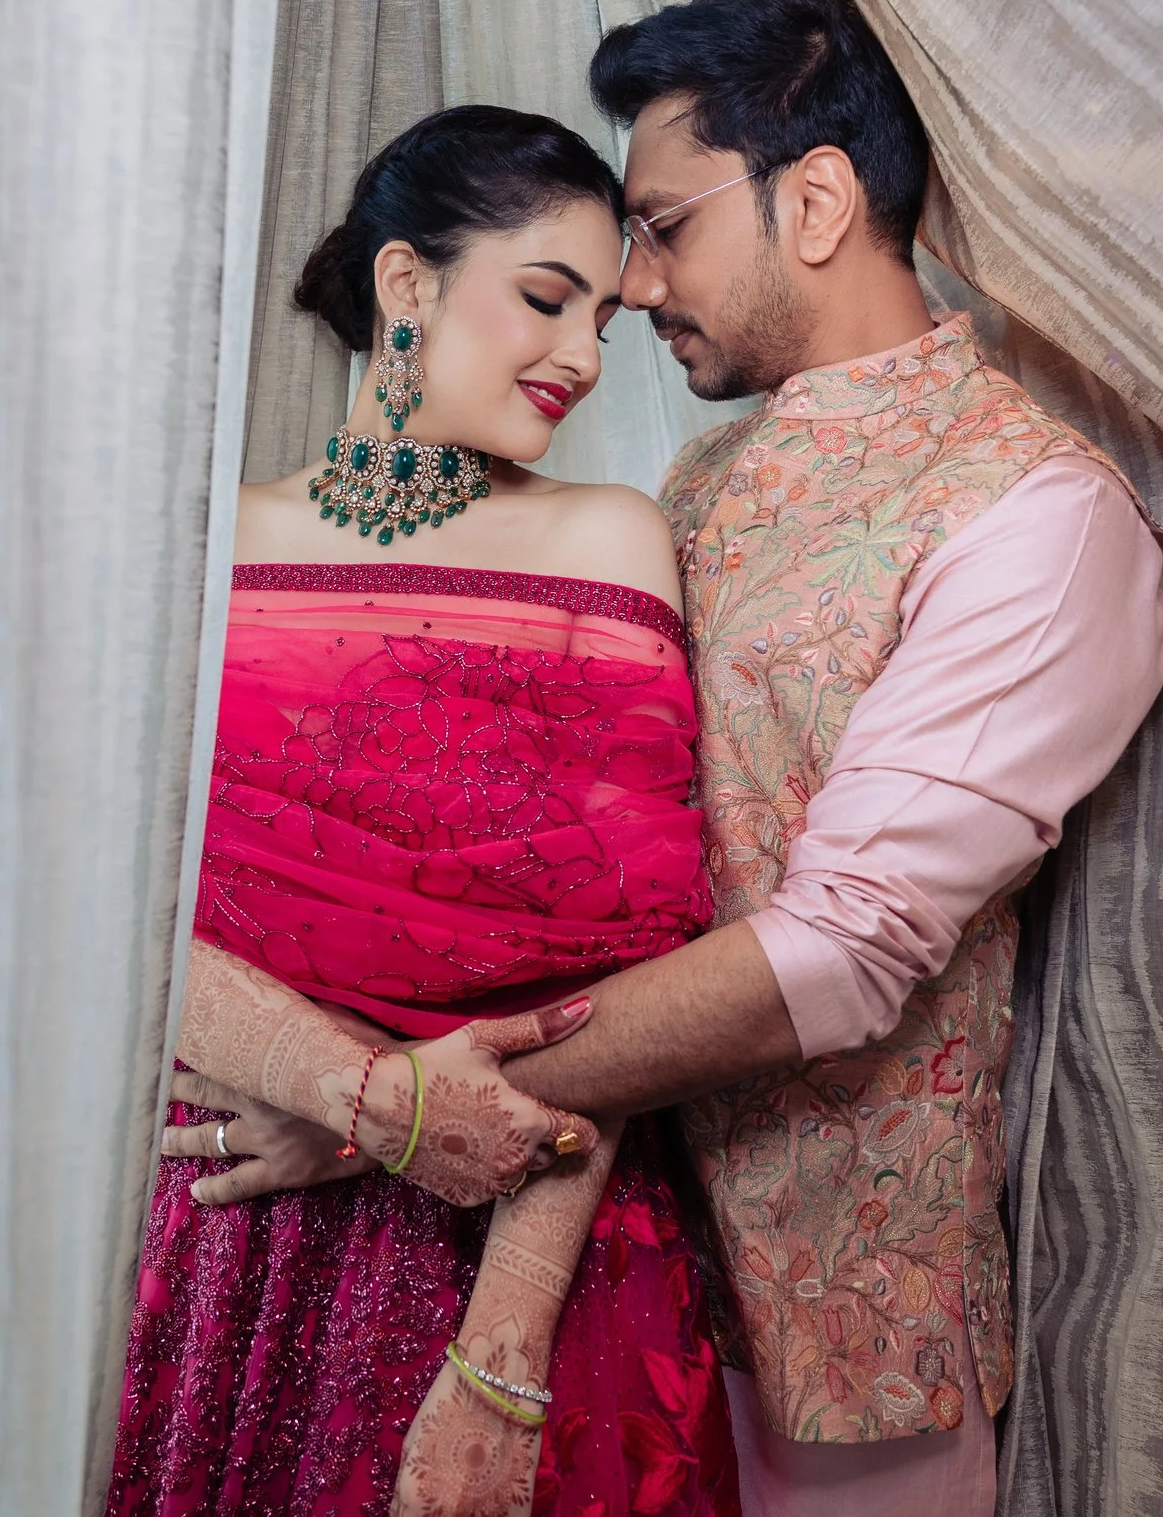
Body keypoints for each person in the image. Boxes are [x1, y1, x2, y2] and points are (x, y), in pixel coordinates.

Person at [189, 0, 1163, 1517]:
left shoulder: (1038, 515)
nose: (635, 287)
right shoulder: (698, 482)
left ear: (819, 202)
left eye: (660, 226)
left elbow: (845, 950)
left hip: (832, 1343)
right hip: (585, 1257)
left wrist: (378, 1104)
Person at [107, 105, 741, 1517]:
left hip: (533, 1243)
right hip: (228, 1225)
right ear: (407, 282)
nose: (585, 356)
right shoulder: (205, 545)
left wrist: (501, 1359)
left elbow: (615, 989)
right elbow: (106, 904)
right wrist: (366, 1103)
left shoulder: (604, 540)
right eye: (546, 299)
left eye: (603, 322)